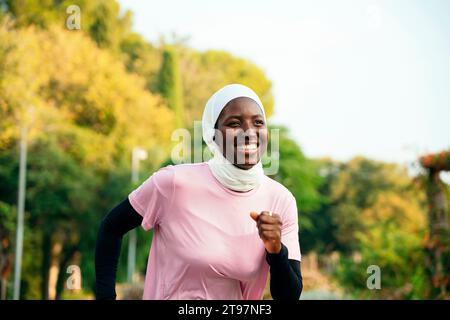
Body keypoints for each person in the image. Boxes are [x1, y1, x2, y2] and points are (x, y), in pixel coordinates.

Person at [95, 84, 303, 300]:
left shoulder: (280, 200)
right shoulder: (174, 183)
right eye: (234, 123)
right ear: (212, 135)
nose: (248, 132)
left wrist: (277, 251)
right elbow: (111, 227)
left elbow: (289, 296)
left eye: (258, 122)